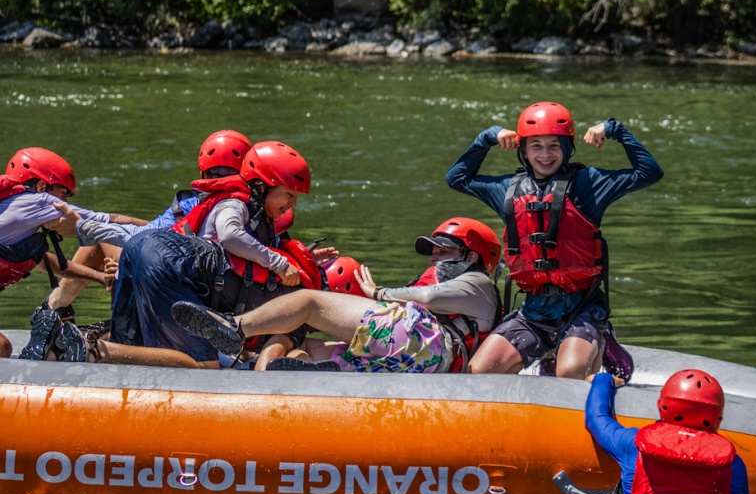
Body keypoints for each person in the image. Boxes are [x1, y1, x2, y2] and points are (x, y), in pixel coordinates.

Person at [24, 140, 327, 368]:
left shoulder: (231, 209)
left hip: (150, 254)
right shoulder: (238, 207)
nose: (293, 204)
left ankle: (59, 339)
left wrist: (85, 226)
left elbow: (144, 235)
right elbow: (230, 235)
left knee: (131, 346)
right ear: (262, 184)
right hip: (164, 262)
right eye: (289, 193)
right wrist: (278, 262)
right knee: (202, 366)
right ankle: (89, 347)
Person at [445, 101, 663, 379]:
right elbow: (457, 178)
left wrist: (614, 129)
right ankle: (547, 353)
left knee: (569, 374)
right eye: (536, 146)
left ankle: (599, 340)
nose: (545, 155)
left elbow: (649, 172)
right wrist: (488, 137)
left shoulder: (589, 184)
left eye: (554, 146)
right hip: (534, 311)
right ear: (523, 150)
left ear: (567, 149)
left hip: (581, 308)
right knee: (480, 370)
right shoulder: (505, 189)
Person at [171, 217, 502, 374]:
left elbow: (426, 300)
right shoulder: (463, 296)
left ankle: (234, 327)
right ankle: (298, 368)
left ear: (472, 257)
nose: (433, 257)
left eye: (443, 252)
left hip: (424, 341)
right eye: (432, 251)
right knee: (309, 348)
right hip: (420, 365)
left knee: (309, 302)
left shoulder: (479, 284)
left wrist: (378, 293)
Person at [38, 129, 253, 323]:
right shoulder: (263, 209)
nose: (218, 180)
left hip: (180, 288)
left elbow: (151, 237)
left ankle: (56, 305)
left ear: (201, 172)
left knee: (102, 242)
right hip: (226, 296)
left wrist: (82, 226)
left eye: (220, 174)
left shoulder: (191, 203)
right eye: (215, 175)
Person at [1, 147, 139, 359]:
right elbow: (114, 220)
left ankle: (53, 310)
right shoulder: (39, 201)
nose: (65, 202)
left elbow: (44, 262)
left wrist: (100, 277)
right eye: (63, 193)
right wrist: (168, 232)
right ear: (41, 186)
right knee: (1, 348)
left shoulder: (14, 213)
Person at [585, 369, 751, 494]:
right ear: (718, 419)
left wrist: (604, 380)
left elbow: (595, 419)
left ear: (661, 407)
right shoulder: (733, 463)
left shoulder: (634, 444)